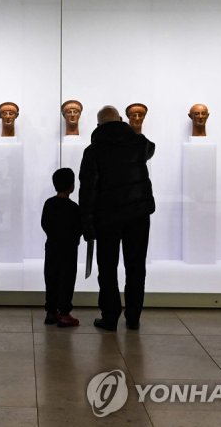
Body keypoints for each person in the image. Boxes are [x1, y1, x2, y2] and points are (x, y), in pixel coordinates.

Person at [79, 105, 155, 331]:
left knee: (107, 269)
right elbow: (150, 149)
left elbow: (87, 190)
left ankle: (110, 316)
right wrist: (132, 131)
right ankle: (133, 317)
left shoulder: (93, 151)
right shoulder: (138, 144)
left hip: (107, 217)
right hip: (138, 214)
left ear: (98, 125)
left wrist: (86, 222)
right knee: (136, 267)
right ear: (121, 120)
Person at [41, 167, 82, 327]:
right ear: (72, 186)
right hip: (69, 250)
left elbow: (45, 224)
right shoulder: (74, 208)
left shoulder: (49, 204)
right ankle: (64, 313)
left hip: (52, 247)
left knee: (51, 278)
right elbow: (79, 228)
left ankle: (51, 312)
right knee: (67, 280)